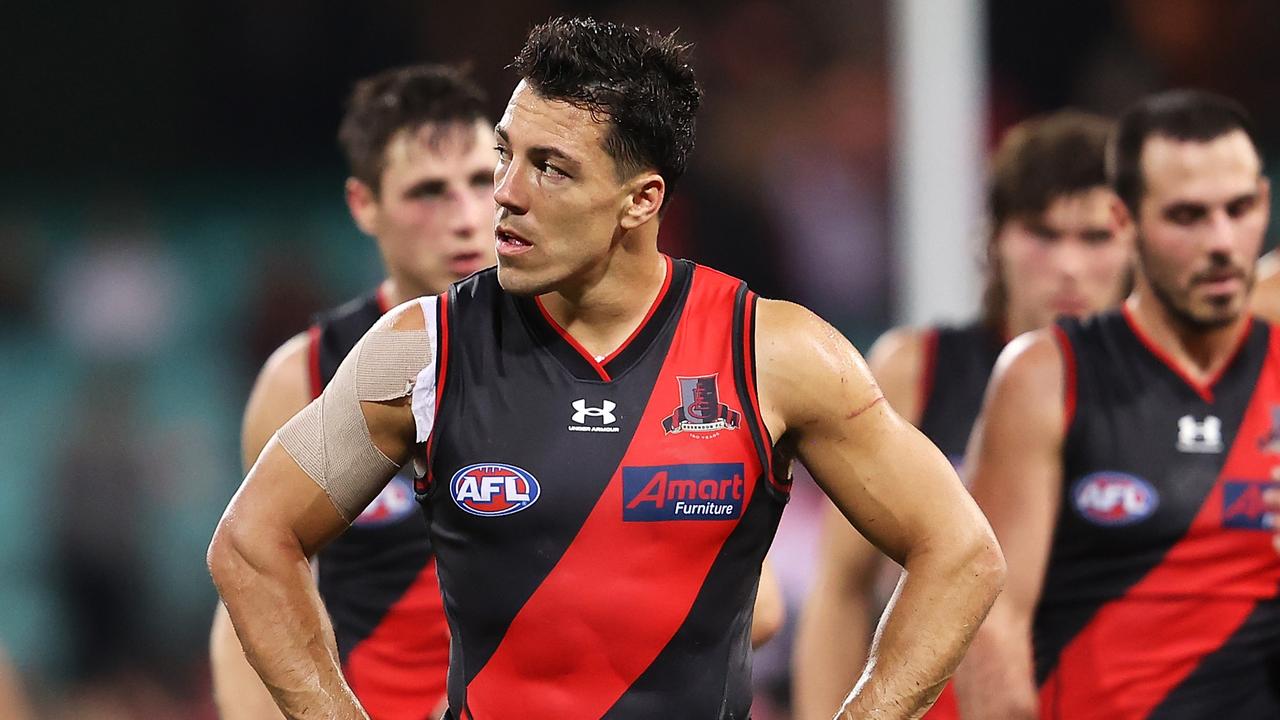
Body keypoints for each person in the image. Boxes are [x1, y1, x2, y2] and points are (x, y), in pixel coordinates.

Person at [207, 17, 1005, 720]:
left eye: (551, 168)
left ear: (640, 200)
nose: (505, 195)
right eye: (504, 156)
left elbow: (961, 552)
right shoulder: (420, 351)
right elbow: (250, 544)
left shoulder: (775, 354)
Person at [793, 110, 1134, 720]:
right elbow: (841, 590)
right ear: (994, 239)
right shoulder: (915, 370)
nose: (1068, 267)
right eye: (1043, 233)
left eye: (1094, 237)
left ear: (1136, 244)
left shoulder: (1176, 390)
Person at [956, 89, 1277, 719]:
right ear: (1126, 221)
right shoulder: (1046, 376)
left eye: (1239, 210)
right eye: (1187, 216)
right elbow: (992, 626)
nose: (1221, 241)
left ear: (1264, 205)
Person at [209, 63, 498, 720]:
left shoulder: (575, 356)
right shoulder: (306, 377)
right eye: (428, 191)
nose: (466, 216)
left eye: (484, 180)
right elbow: (254, 590)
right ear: (363, 205)